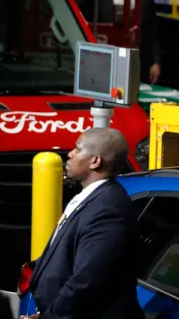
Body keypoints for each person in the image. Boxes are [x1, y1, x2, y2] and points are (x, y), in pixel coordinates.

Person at [21, 128, 145, 319]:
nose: (70, 154)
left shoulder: (108, 210)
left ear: (95, 161)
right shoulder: (93, 198)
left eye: (78, 150)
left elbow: (86, 281)